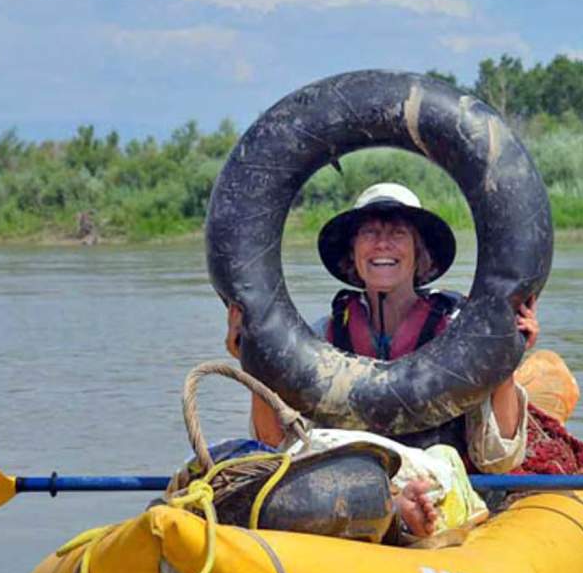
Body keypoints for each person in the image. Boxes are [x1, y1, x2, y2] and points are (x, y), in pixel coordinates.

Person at [226, 182, 539, 538]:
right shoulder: (318, 338)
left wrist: (505, 356)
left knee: (440, 460)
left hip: (438, 477)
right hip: (346, 484)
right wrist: (254, 361)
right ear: (353, 255)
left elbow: (498, 461)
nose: (382, 244)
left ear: (420, 254)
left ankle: (409, 512)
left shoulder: (461, 332)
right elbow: (276, 443)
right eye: (370, 232)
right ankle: (393, 508)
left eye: (398, 233)